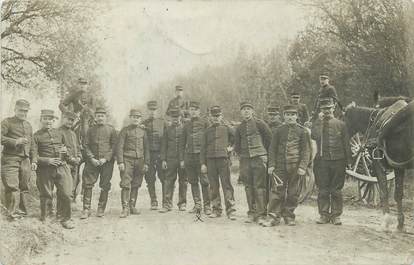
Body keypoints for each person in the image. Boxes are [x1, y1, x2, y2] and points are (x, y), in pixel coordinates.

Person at [263, 105, 310, 227]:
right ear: (284, 116)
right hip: (280, 167)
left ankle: (289, 216)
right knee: (277, 191)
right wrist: (272, 165)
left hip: (296, 167)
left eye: (292, 115)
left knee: (293, 192)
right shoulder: (279, 130)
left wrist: (302, 167)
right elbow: (272, 148)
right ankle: (273, 216)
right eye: (287, 115)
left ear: (296, 116)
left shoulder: (302, 131)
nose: (290, 117)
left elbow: (306, 151)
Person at [311, 98, 352, 225]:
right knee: (323, 189)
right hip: (322, 162)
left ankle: (336, 215)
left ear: (333, 108)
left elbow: (346, 144)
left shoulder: (341, 124)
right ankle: (323, 215)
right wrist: (319, 121)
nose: (327, 111)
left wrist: (349, 161)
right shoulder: (317, 124)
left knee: (336, 190)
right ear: (321, 110)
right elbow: (315, 136)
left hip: (338, 161)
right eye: (324, 109)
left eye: (329, 108)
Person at [33, 109, 74, 229]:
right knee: (46, 194)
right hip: (45, 169)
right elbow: (33, 155)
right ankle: (47, 218)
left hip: (62, 167)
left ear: (53, 120)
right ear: (41, 120)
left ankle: (65, 218)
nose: (48, 121)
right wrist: (47, 161)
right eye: (45, 119)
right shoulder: (36, 136)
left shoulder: (60, 133)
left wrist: (66, 152)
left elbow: (69, 150)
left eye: (50, 119)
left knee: (66, 194)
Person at [234, 101, 272, 224]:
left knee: (260, 187)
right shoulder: (239, 127)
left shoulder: (261, 124)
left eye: (248, 109)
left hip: (259, 158)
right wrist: (243, 156)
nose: (246, 111)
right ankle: (252, 212)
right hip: (245, 160)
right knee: (248, 187)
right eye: (243, 109)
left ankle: (261, 214)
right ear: (241, 112)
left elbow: (269, 141)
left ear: (252, 111)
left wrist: (264, 155)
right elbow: (237, 146)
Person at [1, 99, 37, 220]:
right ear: (15, 109)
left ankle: (23, 211)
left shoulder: (28, 125)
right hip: (10, 158)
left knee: (24, 186)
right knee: (12, 186)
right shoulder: (7, 122)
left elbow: (32, 144)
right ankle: (12, 213)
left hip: (25, 160)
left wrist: (35, 160)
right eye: (21, 110)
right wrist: (15, 141)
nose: (23, 113)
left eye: (26, 111)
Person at [200, 106, 236, 220]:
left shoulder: (227, 128)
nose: (215, 118)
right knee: (213, 186)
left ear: (221, 116)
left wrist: (232, 148)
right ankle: (216, 209)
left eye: (217, 116)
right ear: (210, 117)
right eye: (213, 116)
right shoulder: (207, 131)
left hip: (223, 160)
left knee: (227, 185)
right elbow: (203, 148)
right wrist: (203, 164)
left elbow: (236, 138)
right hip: (210, 160)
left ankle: (231, 210)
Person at [81, 107, 117, 219]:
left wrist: (106, 158)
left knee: (105, 185)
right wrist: (91, 158)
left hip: (106, 162)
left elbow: (114, 146)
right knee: (88, 184)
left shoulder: (111, 130)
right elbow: (85, 145)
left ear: (106, 117)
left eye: (102, 116)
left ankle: (101, 208)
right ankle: (86, 209)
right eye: (98, 116)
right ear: (95, 117)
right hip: (92, 162)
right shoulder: (90, 130)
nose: (100, 118)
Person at [180, 101, 211, 215]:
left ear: (199, 111)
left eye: (195, 109)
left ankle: (207, 206)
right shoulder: (186, 125)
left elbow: (209, 140)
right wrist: (182, 159)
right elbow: (182, 144)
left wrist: (206, 159)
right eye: (191, 109)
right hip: (189, 157)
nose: (193, 112)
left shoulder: (205, 122)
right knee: (193, 182)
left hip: (201, 157)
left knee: (205, 181)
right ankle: (197, 205)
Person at [117, 109, 150, 218]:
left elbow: (146, 149)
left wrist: (146, 163)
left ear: (140, 119)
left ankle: (132, 206)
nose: (136, 119)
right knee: (126, 183)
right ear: (130, 118)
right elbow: (120, 147)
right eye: (134, 117)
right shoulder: (124, 131)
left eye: (138, 117)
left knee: (136, 183)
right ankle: (125, 208)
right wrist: (120, 161)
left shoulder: (143, 132)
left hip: (140, 161)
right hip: (127, 160)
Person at [159, 108, 188, 213]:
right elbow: (163, 146)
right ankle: (167, 204)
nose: (175, 119)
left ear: (181, 117)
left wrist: (184, 159)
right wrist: (163, 160)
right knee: (168, 181)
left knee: (183, 181)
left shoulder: (185, 129)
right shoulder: (167, 130)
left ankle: (182, 203)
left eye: (177, 117)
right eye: (173, 117)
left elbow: (187, 145)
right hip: (170, 159)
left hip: (182, 160)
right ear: (170, 118)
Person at [142, 100, 165, 210]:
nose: (152, 112)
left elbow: (166, 140)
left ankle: (166, 201)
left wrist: (164, 155)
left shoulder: (163, 122)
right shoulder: (143, 123)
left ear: (157, 110)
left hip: (160, 154)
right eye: (150, 110)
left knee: (164, 177)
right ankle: (153, 200)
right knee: (150, 178)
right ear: (148, 110)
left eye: (154, 110)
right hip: (148, 155)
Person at [58, 111, 82, 211]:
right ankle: (60, 211)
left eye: (72, 120)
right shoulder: (58, 132)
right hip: (65, 164)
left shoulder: (73, 133)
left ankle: (68, 210)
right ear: (63, 119)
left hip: (75, 164)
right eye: (68, 119)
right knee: (63, 189)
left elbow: (77, 147)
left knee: (72, 187)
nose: (70, 122)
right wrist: (70, 159)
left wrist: (79, 157)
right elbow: (60, 148)